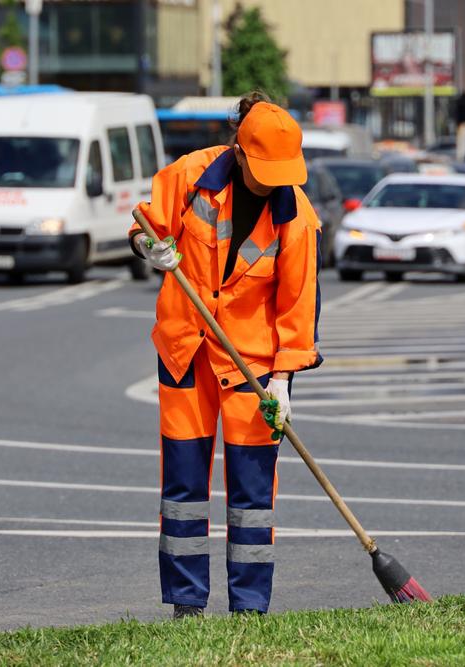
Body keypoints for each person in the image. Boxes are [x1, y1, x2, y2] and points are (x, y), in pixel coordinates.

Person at [129, 93, 322, 618]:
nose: (274, 181)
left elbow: (298, 308)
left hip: (253, 371)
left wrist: (283, 381)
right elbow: (144, 226)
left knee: (253, 497)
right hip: (185, 353)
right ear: (238, 151)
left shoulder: (297, 219)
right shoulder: (189, 178)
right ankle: (187, 606)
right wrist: (151, 249)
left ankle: (251, 608)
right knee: (184, 486)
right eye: (265, 170)